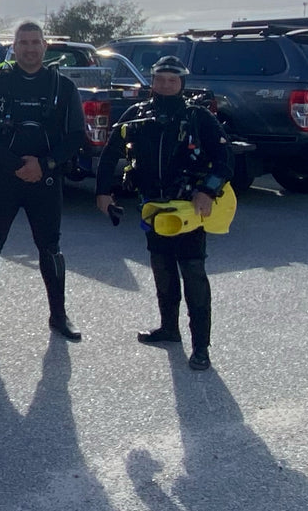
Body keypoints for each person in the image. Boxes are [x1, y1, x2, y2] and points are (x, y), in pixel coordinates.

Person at [94, 55, 233, 371]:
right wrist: (102, 191)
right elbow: (110, 153)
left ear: (181, 83)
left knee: (193, 272)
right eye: (160, 79)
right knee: (162, 267)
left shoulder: (197, 117)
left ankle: (201, 347)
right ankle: (169, 328)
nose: (166, 85)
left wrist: (207, 190)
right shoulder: (137, 115)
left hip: (188, 207)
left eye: (172, 80)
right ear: (152, 81)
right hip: (153, 207)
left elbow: (225, 158)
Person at [0, 21, 86, 340]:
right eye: (24, 43)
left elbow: (76, 135)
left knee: (50, 247)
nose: (30, 48)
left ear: (45, 46)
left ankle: (58, 315)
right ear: (14, 47)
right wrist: (16, 165)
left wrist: (44, 165)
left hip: (45, 180)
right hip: (3, 178)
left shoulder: (63, 87)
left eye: (36, 42)